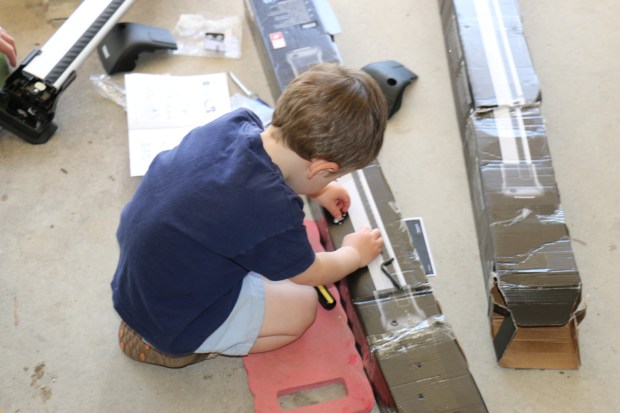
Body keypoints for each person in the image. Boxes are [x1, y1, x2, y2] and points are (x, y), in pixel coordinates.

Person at [112, 62, 388, 368]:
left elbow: (247, 181)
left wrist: (317, 189)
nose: (326, 184)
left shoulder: (234, 123)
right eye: (328, 178)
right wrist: (353, 253)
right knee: (303, 307)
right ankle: (177, 348)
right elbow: (312, 272)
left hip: (141, 281)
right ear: (320, 168)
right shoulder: (275, 211)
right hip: (173, 321)